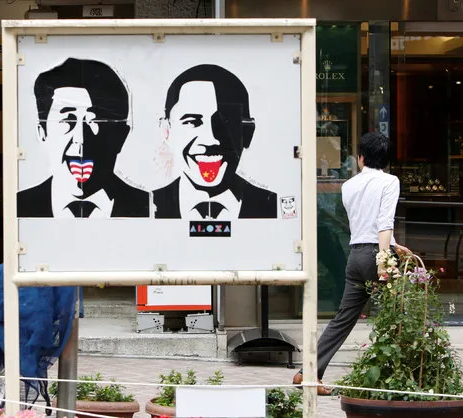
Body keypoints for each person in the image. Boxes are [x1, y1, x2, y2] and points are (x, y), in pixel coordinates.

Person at [292, 132, 411, 395]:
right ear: (386, 160)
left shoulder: (348, 186)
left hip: (356, 255)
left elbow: (365, 221)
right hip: (377, 256)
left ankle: (308, 372)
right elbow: (384, 222)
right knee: (403, 312)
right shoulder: (390, 182)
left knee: (343, 319)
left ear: (361, 158)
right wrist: (384, 259)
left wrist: (393, 245)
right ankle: (404, 377)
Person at [17, 58, 149, 218]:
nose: (80, 138)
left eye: (94, 121)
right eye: (68, 120)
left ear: (120, 136)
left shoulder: (150, 206)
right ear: (42, 132)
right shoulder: (20, 206)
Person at [153, 64, 277, 220]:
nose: (210, 139)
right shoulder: (149, 207)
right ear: (166, 131)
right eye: (192, 122)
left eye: (225, 121)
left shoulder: (273, 206)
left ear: (248, 132)